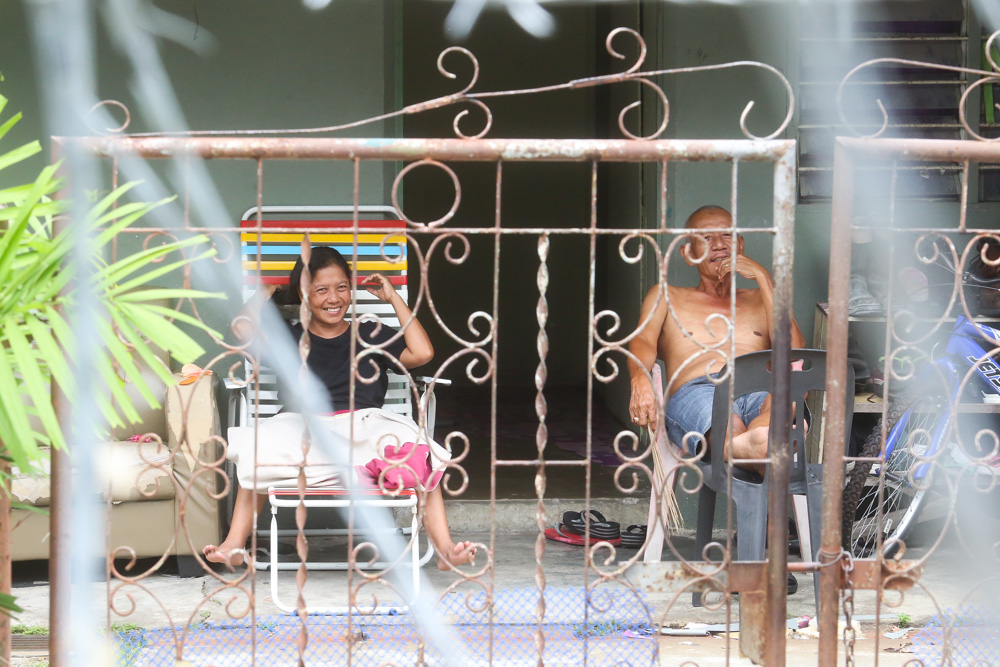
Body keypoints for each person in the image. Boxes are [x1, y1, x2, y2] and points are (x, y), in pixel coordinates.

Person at [204, 246, 475, 571]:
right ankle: (235, 544)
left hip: (363, 427)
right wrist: (270, 288)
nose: (333, 298)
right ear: (305, 295)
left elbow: (422, 353)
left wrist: (393, 299)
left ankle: (445, 549)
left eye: (341, 288)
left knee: (418, 451)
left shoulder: (369, 332)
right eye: (320, 290)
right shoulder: (290, 338)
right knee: (259, 448)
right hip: (303, 429)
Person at [627, 205, 805, 472]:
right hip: (698, 390)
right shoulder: (667, 295)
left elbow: (794, 353)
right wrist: (639, 378)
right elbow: (642, 341)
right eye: (707, 238)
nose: (720, 245)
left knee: (779, 397)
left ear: (741, 245)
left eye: (728, 236)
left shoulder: (762, 298)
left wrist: (763, 278)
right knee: (728, 423)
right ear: (688, 253)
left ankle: (759, 441)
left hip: (758, 387)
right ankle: (760, 446)